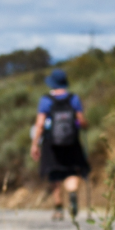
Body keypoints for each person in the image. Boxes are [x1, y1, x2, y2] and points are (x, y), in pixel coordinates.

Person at [31, 67, 89, 220]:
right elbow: (81, 121)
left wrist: (35, 144)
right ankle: (72, 194)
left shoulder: (46, 100)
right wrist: (84, 126)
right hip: (72, 142)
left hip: (51, 143)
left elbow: (40, 124)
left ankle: (58, 208)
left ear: (52, 84)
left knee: (55, 173)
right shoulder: (73, 98)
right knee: (71, 171)